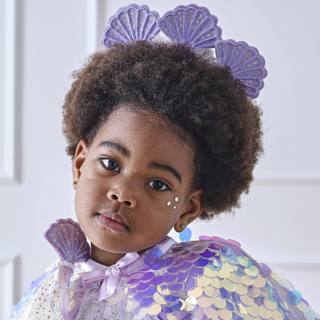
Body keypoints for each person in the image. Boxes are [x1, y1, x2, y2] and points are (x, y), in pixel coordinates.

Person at [9, 4, 318, 320]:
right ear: (80, 164)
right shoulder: (55, 286)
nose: (123, 193)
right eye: (110, 164)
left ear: (188, 207)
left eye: (157, 184)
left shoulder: (207, 283)